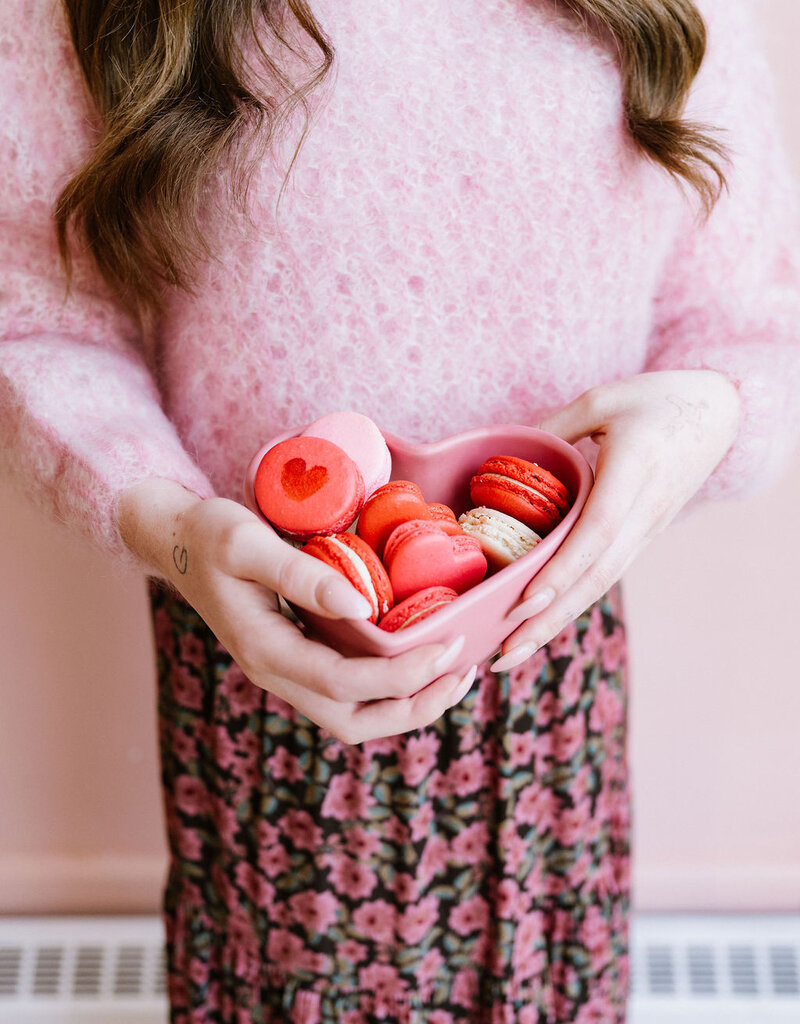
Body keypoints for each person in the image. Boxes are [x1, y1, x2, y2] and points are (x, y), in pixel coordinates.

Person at [2, 0, 799, 1020]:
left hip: (551, 688)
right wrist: (173, 532)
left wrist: (707, 414)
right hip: (255, 666)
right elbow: (37, 320)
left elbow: (749, 324)